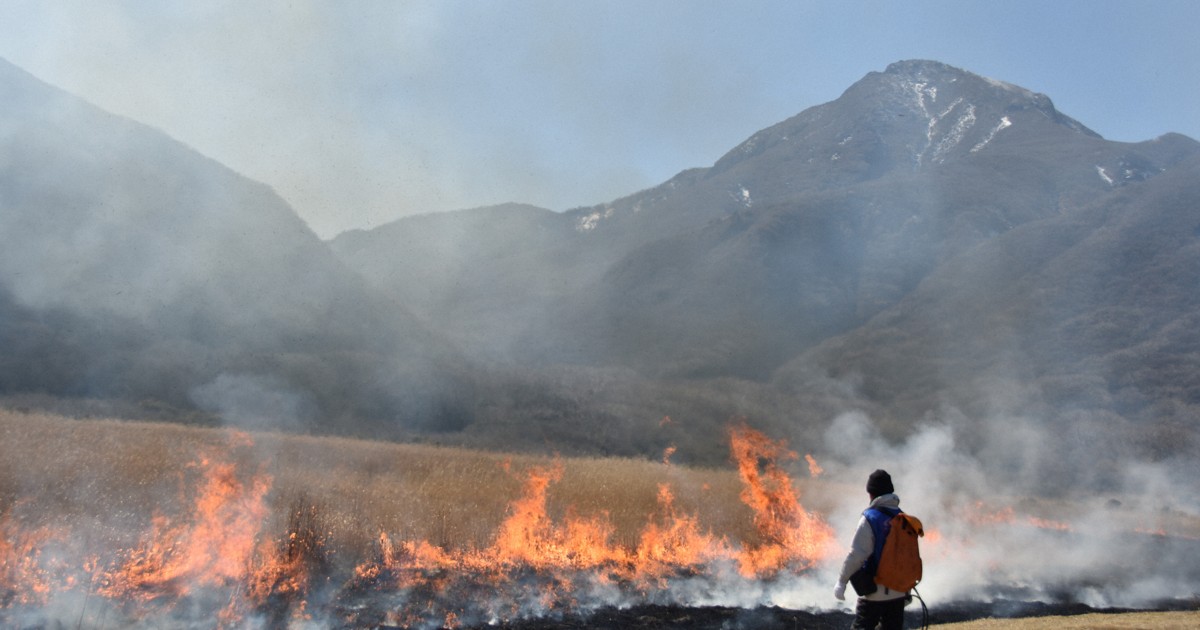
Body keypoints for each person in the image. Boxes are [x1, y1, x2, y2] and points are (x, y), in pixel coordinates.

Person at [833, 469, 909, 630]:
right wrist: (906, 589)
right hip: (899, 591)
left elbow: (856, 555)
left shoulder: (870, 518)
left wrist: (841, 582)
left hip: (875, 590)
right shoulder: (903, 518)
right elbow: (907, 557)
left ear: (872, 493)